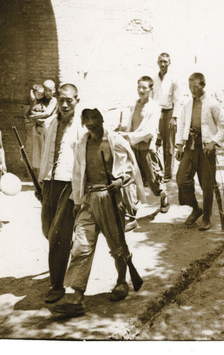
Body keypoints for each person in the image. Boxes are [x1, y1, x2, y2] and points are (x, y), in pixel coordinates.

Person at [49, 103, 146, 315]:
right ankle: (76, 298)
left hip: (110, 198)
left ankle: (122, 282)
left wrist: (120, 182)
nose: (91, 122)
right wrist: (77, 201)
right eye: (87, 118)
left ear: (102, 118)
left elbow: (131, 168)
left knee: (117, 245)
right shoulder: (81, 144)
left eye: (95, 117)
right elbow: (77, 174)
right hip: (88, 199)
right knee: (81, 246)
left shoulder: (115, 142)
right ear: (82, 121)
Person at [38, 83, 85, 304]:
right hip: (50, 182)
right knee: (48, 229)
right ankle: (65, 252)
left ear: (77, 100)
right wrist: (41, 181)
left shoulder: (81, 127)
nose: (65, 104)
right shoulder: (49, 123)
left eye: (70, 100)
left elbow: (85, 161)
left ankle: (56, 285)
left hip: (70, 184)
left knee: (58, 235)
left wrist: (81, 192)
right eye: (61, 100)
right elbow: (45, 152)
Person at [175, 73, 224, 231]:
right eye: (190, 86)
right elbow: (182, 124)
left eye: (195, 87)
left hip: (206, 150)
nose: (192, 90)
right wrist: (179, 145)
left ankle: (206, 217)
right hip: (190, 147)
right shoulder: (187, 105)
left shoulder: (212, 104)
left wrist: (213, 142)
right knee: (181, 179)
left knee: (207, 185)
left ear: (203, 86)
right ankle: (195, 208)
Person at [117, 76, 170, 213]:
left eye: (144, 88)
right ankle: (132, 208)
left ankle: (163, 195)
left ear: (151, 90)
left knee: (153, 180)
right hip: (132, 147)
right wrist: (123, 130)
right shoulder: (134, 105)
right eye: (139, 87)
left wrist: (129, 136)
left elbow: (149, 132)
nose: (141, 90)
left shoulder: (154, 108)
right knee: (132, 176)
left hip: (146, 148)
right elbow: (131, 125)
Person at [151, 53, 182, 181]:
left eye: (165, 62)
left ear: (169, 63)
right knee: (155, 142)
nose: (163, 64)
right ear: (157, 63)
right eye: (161, 62)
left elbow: (178, 100)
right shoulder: (154, 79)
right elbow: (152, 98)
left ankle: (168, 173)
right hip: (157, 112)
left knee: (169, 145)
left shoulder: (174, 79)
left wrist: (174, 118)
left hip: (169, 112)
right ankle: (157, 170)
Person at [28, 80, 58, 177]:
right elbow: (30, 112)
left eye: (50, 90)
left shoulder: (54, 100)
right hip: (37, 130)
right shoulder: (39, 100)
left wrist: (34, 117)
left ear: (54, 90)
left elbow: (48, 113)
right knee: (37, 156)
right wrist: (35, 117)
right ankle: (39, 180)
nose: (48, 93)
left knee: (47, 155)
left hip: (48, 131)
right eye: (46, 90)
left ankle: (47, 178)